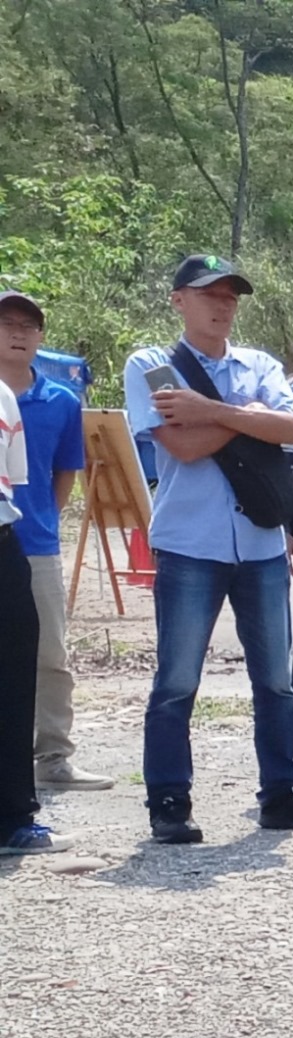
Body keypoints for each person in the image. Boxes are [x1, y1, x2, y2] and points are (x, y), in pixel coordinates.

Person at [125, 254, 293, 844]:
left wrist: (209, 411)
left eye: (230, 296)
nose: (222, 305)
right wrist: (252, 418)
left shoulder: (260, 364)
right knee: (176, 682)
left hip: (261, 543)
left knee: (276, 683)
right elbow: (183, 447)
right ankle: (169, 802)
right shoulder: (152, 365)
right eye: (208, 294)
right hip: (190, 543)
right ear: (178, 301)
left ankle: (282, 795)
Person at [0, 285, 100, 795]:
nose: (18, 334)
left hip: (35, 543)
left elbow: (66, 470)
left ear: (40, 336)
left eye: (28, 326)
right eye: (7, 325)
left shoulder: (61, 400)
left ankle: (54, 754)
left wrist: (45, 519)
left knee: (49, 653)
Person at [0, 342, 49, 852]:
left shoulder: (3, 397)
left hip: (3, 545)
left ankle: (13, 815)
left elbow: (13, 482)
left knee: (14, 678)